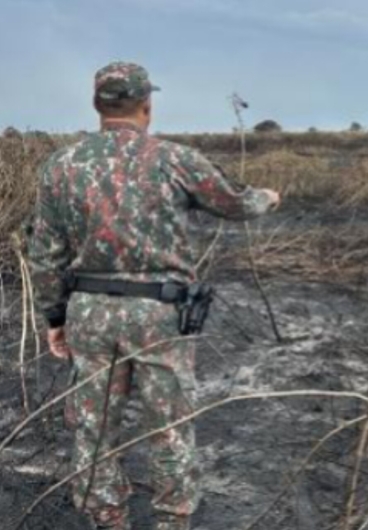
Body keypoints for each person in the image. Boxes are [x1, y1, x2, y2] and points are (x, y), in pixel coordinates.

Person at [26, 61, 280, 530]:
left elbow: (44, 255)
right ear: (147, 105)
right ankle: (171, 523)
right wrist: (267, 196)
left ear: (97, 105)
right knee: (169, 427)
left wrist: (55, 316)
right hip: (161, 314)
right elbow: (236, 204)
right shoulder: (175, 158)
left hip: (90, 313)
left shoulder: (60, 166)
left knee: (93, 427)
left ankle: (108, 520)